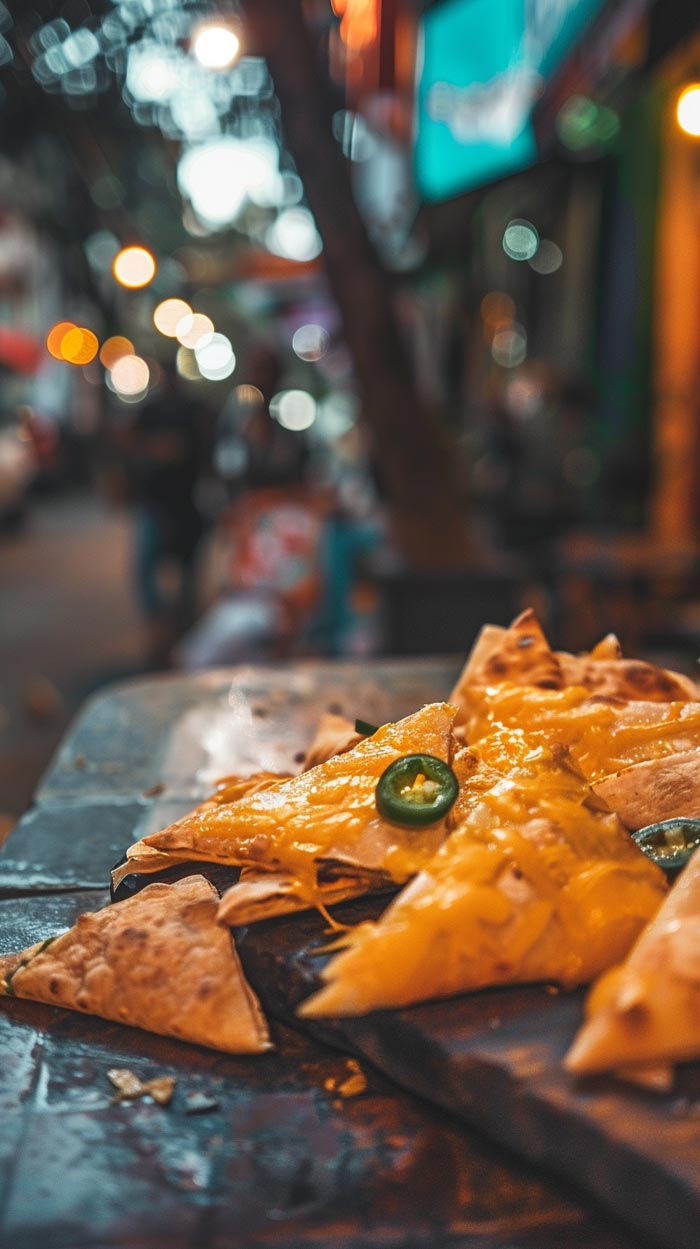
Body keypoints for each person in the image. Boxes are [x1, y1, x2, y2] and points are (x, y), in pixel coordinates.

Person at [117, 364, 210, 665]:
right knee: (145, 568)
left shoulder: (193, 410)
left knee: (187, 576)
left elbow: (198, 452)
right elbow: (129, 442)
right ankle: (160, 630)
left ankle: (183, 636)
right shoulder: (151, 410)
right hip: (155, 504)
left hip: (187, 505)